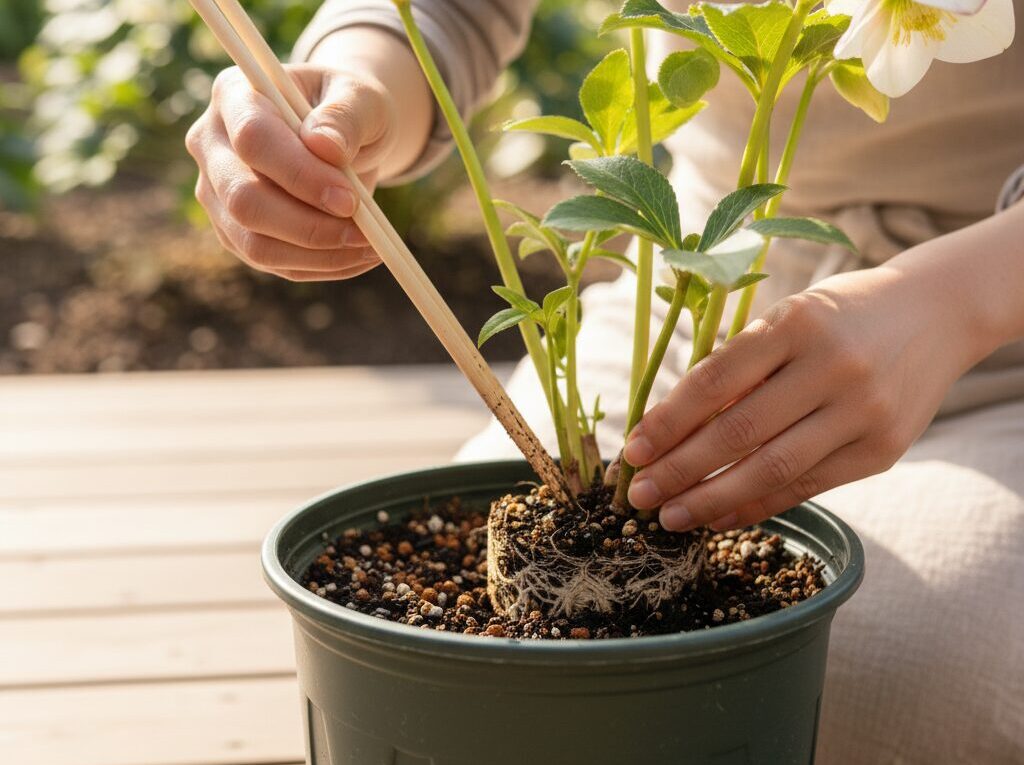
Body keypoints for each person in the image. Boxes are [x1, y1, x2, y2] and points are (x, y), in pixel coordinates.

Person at [184, 1, 1024, 761]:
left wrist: (960, 301)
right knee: (444, 648)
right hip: (700, 279)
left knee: (886, 670)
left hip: (999, 307)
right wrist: (358, 91)